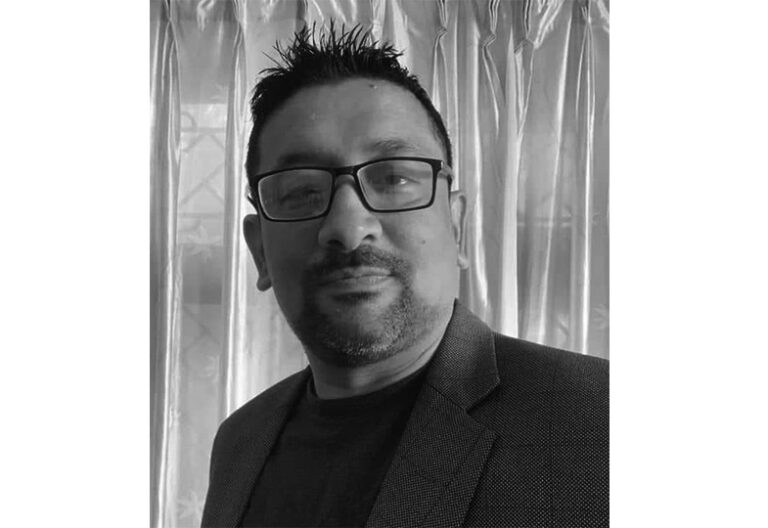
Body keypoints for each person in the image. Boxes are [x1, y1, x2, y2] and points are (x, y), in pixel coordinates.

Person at [202, 24, 608, 528]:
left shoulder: (601, 422)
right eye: (302, 192)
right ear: (260, 250)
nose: (348, 227)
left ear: (456, 227)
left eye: (394, 177)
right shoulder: (239, 442)